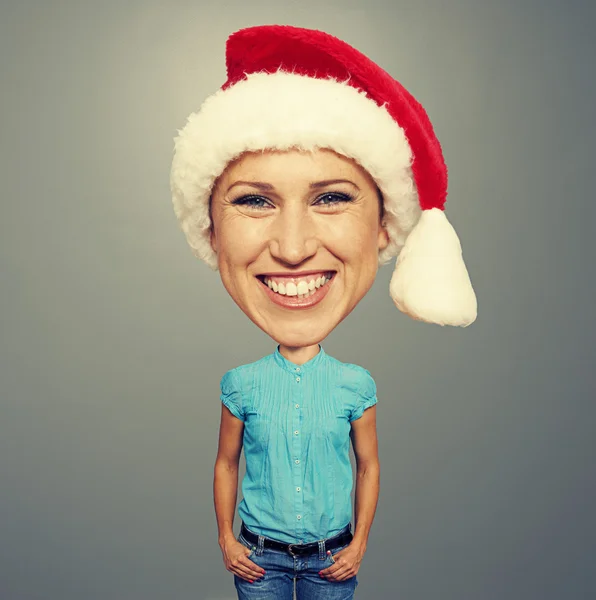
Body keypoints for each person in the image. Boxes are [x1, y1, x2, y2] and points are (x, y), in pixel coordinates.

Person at [169, 25, 477, 599]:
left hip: (331, 560)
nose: (291, 248)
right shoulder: (239, 385)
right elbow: (225, 466)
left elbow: (369, 467)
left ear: (385, 224)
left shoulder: (357, 385)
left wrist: (357, 544)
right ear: (210, 232)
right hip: (259, 559)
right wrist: (226, 540)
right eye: (253, 200)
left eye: (332, 197)